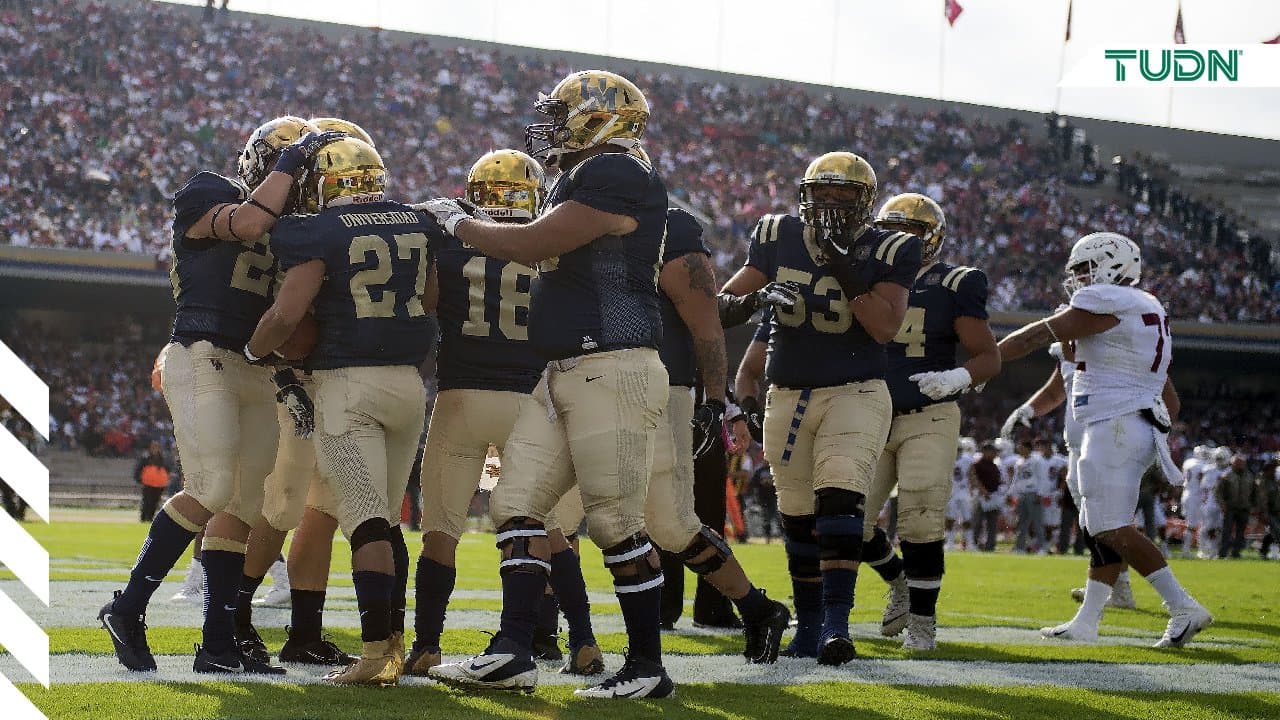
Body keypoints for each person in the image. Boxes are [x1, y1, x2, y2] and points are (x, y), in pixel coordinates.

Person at [421, 70, 676, 698]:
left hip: (613, 364)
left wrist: (459, 224)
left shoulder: (617, 172)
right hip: (562, 370)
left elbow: (535, 243)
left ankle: (647, 666)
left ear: (602, 119)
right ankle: (514, 649)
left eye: (563, 114)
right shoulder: (582, 177)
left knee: (615, 518)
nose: (551, 125)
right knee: (515, 505)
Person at [98, 117, 337, 675]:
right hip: (200, 353)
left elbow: (290, 320)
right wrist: (292, 158)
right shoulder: (210, 191)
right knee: (211, 486)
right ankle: (128, 608)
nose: (301, 184)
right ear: (266, 161)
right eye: (294, 169)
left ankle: (219, 643)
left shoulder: (297, 230)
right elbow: (251, 220)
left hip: (256, 369)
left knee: (244, 508)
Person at [247, 136, 442, 685]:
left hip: (347, 384)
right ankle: (397, 641)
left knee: (365, 521)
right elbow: (430, 299)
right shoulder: (418, 221)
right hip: (409, 386)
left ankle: (378, 653)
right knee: (387, 519)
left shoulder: (318, 230)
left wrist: (253, 351)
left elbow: (286, 316)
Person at [404, 149, 604, 679]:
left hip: (463, 396)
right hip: (529, 399)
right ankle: (582, 638)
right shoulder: (547, 245)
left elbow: (426, 302)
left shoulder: (453, 244)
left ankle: (426, 645)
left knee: (441, 528)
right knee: (549, 526)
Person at [720, 151, 922, 664]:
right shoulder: (776, 235)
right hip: (787, 392)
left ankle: (836, 624)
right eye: (823, 194)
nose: (831, 203)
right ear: (805, 196)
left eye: (844, 195)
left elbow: (883, 326)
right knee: (796, 514)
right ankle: (808, 624)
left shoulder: (892, 247)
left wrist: (840, 266)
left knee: (839, 498)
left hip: (855, 388)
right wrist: (756, 300)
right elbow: (723, 305)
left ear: (866, 202)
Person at [999, 231, 1211, 648]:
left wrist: (979, 361)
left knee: (1110, 526)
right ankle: (1088, 621)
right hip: (1120, 424)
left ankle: (1184, 607)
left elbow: (1034, 335)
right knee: (1098, 524)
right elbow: (1170, 398)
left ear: (1115, 265)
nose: (1080, 279)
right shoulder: (1142, 307)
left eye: (1085, 269)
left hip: (1114, 426)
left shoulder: (1111, 302)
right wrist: (1150, 426)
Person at [234, 117, 377, 670]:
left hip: (331, 377)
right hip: (290, 377)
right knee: (284, 501)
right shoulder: (279, 228)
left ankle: (303, 632)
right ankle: (233, 619)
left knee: (324, 508)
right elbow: (282, 321)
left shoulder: (314, 229)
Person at [852, 192, 1000, 651]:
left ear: (931, 239)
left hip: (928, 413)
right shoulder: (860, 277)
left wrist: (957, 376)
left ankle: (922, 622)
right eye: (892, 230)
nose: (900, 240)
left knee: (918, 515)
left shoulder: (955, 282)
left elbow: (989, 356)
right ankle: (898, 582)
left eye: (912, 232)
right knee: (846, 520)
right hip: (870, 411)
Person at [1216, 455, 1257, 559]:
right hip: (1230, 507)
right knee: (1227, 531)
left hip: (1244, 507)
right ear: (1233, 464)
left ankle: (1236, 552)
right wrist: (1222, 505)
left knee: (1241, 531)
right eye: (1238, 463)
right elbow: (1219, 493)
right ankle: (1223, 552)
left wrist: (1254, 506)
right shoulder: (1226, 476)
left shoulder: (1250, 476)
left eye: (1241, 463)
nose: (1240, 465)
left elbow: (1254, 492)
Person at [1012, 441, 1048, 554]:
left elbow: (1042, 477)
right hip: (1022, 494)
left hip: (1033, 493)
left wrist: (1040, 493)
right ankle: (1019, 547)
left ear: (1028, 448)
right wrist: (1011, 494)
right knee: (1021, 522)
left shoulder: (1037, 460)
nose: (1019, 450)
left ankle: (1043, 547)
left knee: (1037, 522)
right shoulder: (1018, 462)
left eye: (1021, 448)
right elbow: (1016, 480)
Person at [1179, 445, 1212, 558]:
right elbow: (1202, 480)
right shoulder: (1203, 466)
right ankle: (1193, 550)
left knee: (1193, 524)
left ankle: (1193, 550)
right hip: (1196, 496)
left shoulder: (1188, 462)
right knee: (1197, 524)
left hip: (1186, 494)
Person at [134, 440, 170, 522]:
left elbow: (167, 469)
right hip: (148, 483)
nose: (155, 449)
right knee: (146, 501)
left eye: (157, 447)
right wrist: (139, 479)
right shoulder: (145, 458)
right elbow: (139, 468)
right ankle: (143, 517)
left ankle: (150, 517)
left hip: (159, 484)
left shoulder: (162, 458)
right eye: (153, 447)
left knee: (155, 501)